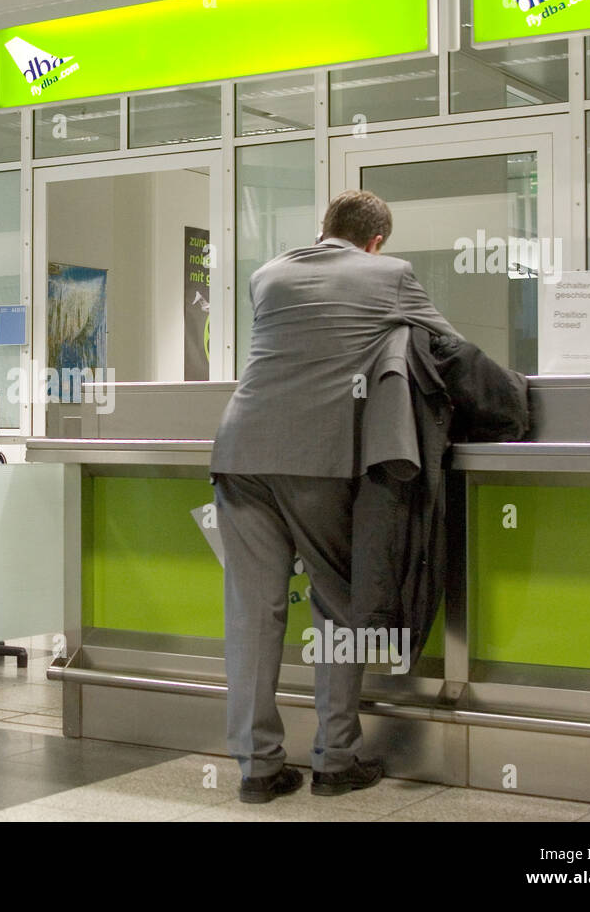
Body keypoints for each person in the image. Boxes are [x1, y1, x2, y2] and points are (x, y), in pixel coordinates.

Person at [210, 190, 462, 802]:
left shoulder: (267, 275)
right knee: (339, 609)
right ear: (375, 241)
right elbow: (451, 349)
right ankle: (334, 758)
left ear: (325, 228)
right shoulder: (391, 275)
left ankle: (257, 769)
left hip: (239, 453)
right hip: (319, 463)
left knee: (253, 612)